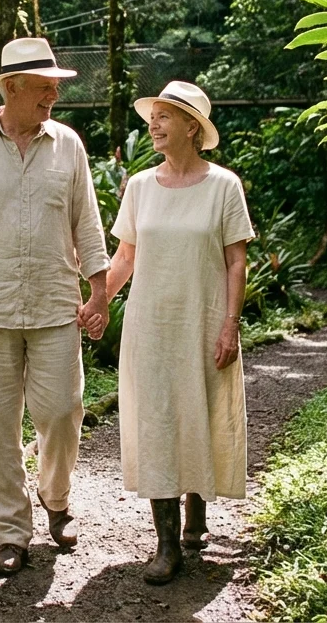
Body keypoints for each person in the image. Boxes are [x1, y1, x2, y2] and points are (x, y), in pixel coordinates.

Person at [0, 37, 111, 576]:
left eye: (57, 86)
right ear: (11, 88)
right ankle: (11, 531)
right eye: (45, 87)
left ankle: (56, 498)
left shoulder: (68, 145)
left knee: (62, 412)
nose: (54, 94)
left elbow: (88, 222)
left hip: (56, 304)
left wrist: (98, 290)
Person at [102, 80, 253, 585]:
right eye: (153, 117)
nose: (154, 124)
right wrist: (97, 298)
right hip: (151, 325)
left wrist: (231, 324)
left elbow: (236, 261)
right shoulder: (141, 186)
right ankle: (167, 545)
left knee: (199, 412)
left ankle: (197, 513)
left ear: (193, 127)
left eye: (165, 116)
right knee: (160, 420)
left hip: (204, 319)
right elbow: (126, 256)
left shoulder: (223, 186)